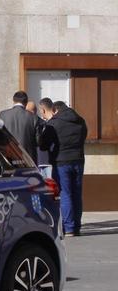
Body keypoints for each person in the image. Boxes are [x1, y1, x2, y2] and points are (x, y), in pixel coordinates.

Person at [39, 100, 88, 236]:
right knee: (77, 193)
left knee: (65, 193)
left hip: (61, 161)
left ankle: (69, 228)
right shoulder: (80, 121)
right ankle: (76, 226)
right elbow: (84, 137)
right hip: (78, 160)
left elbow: (43, 144)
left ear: (55, 110)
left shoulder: (54, 123)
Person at [0, 90, 38, 160]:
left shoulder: (3, 114)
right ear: (26, 102)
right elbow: (38, 140)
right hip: (27, 158)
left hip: (8, 155)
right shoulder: (33, 117)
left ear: (13, 100)